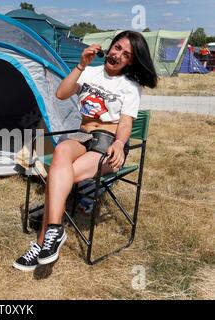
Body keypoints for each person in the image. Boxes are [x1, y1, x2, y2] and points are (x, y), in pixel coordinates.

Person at [13, 30, 158, 271]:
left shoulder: (130, 86)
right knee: (61, 155)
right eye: (117, 47)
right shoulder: (89, 72)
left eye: (126, 54)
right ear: (109, 47)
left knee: (57, 179)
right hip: (82, 136)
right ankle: (55, 231)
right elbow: (61, 94)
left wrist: (120, 144)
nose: (118, 54)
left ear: (131, 61)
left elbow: (125, 123)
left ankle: (42, 243)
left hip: (108, 144)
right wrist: (81, 65)